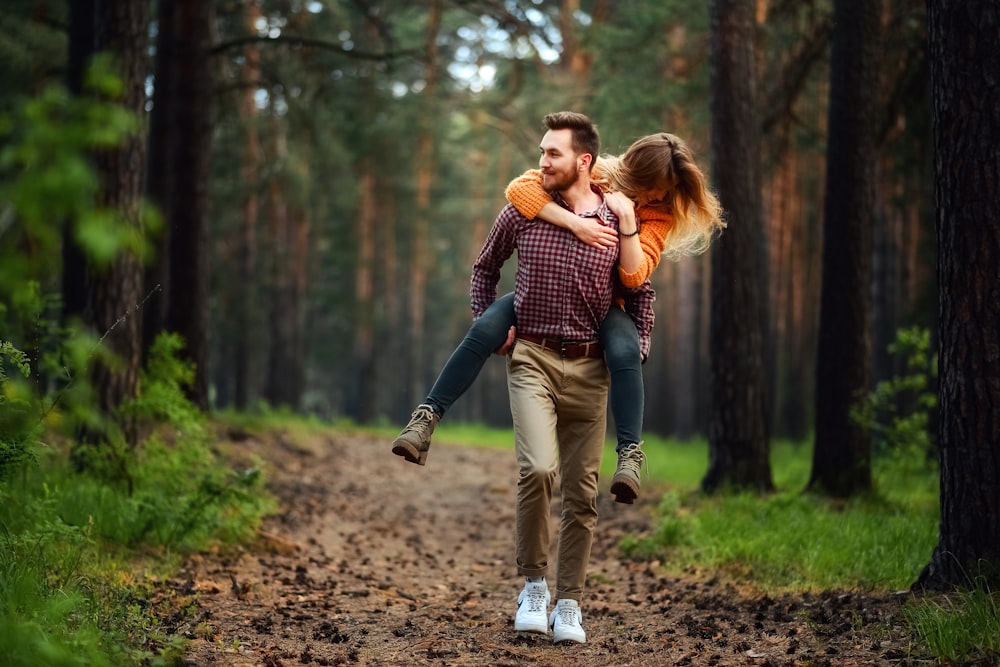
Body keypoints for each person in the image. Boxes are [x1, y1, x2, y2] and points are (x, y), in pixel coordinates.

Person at [392, 131, 724, 504]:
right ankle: (426, 418)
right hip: (544, 294)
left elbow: (634, 276)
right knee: (484, 328)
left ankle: (630, 454)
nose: (660, 198)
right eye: (655, 188)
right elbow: (520, 189)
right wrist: (574, 223)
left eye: (668, 191)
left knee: (625, 352)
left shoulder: (656, 214)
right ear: (636, 172)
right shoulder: (595, 172)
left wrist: (628, 217)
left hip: (604, 307)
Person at [472, 111, 655, 644]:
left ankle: (569, 602)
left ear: (584, 161)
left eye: (552, 153)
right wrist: (489, 322)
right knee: (538, 469)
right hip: (532, 357)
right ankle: (534, 586)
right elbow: (485, 267)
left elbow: (640, 290)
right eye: (542, 151)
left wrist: (638, 345)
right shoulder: (523, 212)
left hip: (592, 367)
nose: (542, 161)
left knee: (582, 491)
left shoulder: (616, 218)